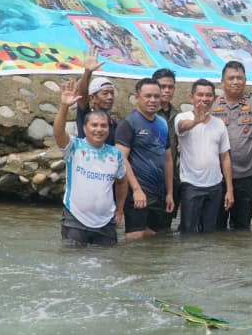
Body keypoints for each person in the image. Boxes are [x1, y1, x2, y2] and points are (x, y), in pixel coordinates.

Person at [52, 81, 127, 246]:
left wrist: (120, 210)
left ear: (109, 129)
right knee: (73, 266)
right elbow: (58, 133)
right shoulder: (74, 147)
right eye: (94, 125)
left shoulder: (115, 154)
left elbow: (122, 182)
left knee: (106, 266)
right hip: (75, 220)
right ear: (85, 128)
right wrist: (64, 106)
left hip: (106, 222)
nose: (99, 129)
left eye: (103, 126)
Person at [210, 61, 252, 230]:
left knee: (242, 226)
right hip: (217, 176)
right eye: (231, 78)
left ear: (246, 81)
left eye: (240, 78)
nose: (236, 81)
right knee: (217, 225)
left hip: (246, 174)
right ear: (222, 82)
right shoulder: (213, 105)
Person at [115, 78, 175, 240]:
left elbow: (168, 159)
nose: (153, 100)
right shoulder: (129, 123)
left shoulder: (162, 123)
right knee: (135, 237)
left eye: (156, 96)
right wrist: (136, 189)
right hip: (137, 191)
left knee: (152, 236)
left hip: (158, 192)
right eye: (148, 96)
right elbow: (121, 158)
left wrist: (169, 193)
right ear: (137, 97)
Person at [176, 79, 234, 233]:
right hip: (191, 185)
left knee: (210, 233)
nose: (204, 99)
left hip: (215, 186)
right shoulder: (182, 118)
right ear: (192, 97)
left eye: (208, 95)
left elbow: (225, 157)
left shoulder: (219, 124)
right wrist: (196, 121)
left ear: (214, 99)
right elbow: (181, 128)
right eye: (200, 95)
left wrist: (229, 189)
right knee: (189, 233)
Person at [73, 54, 118, 146]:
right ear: (93, 98)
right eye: (105, 93)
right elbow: (82, 97)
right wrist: (87, 72)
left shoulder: (113, 123)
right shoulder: (86, 115)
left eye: (112, 93)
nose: (110, 97)